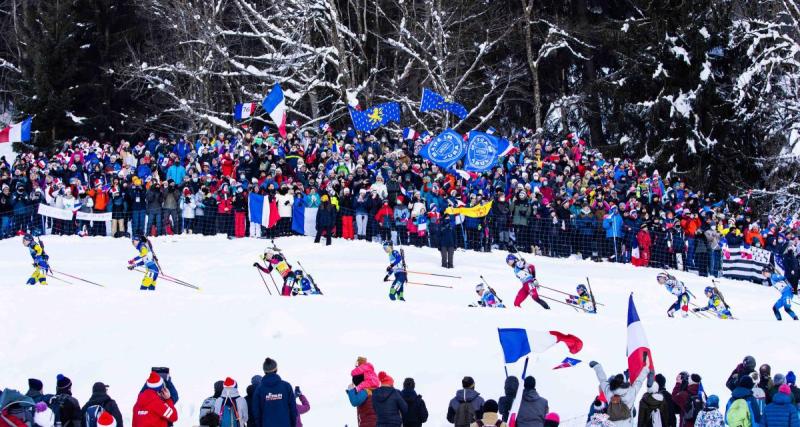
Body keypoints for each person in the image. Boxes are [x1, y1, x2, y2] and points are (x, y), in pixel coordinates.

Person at [590, 356, 650, 427]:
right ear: (625, 382)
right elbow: (639, 381)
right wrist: (646, 367)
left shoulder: (609, 392)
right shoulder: (631, 392)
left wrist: (597, 366)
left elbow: (602, 379)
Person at [252, 358, 297, 427]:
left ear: (264, 371)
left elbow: (256, 413)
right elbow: (293, 410)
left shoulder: (259, 389)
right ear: (276, 369)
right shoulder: (286, 386)